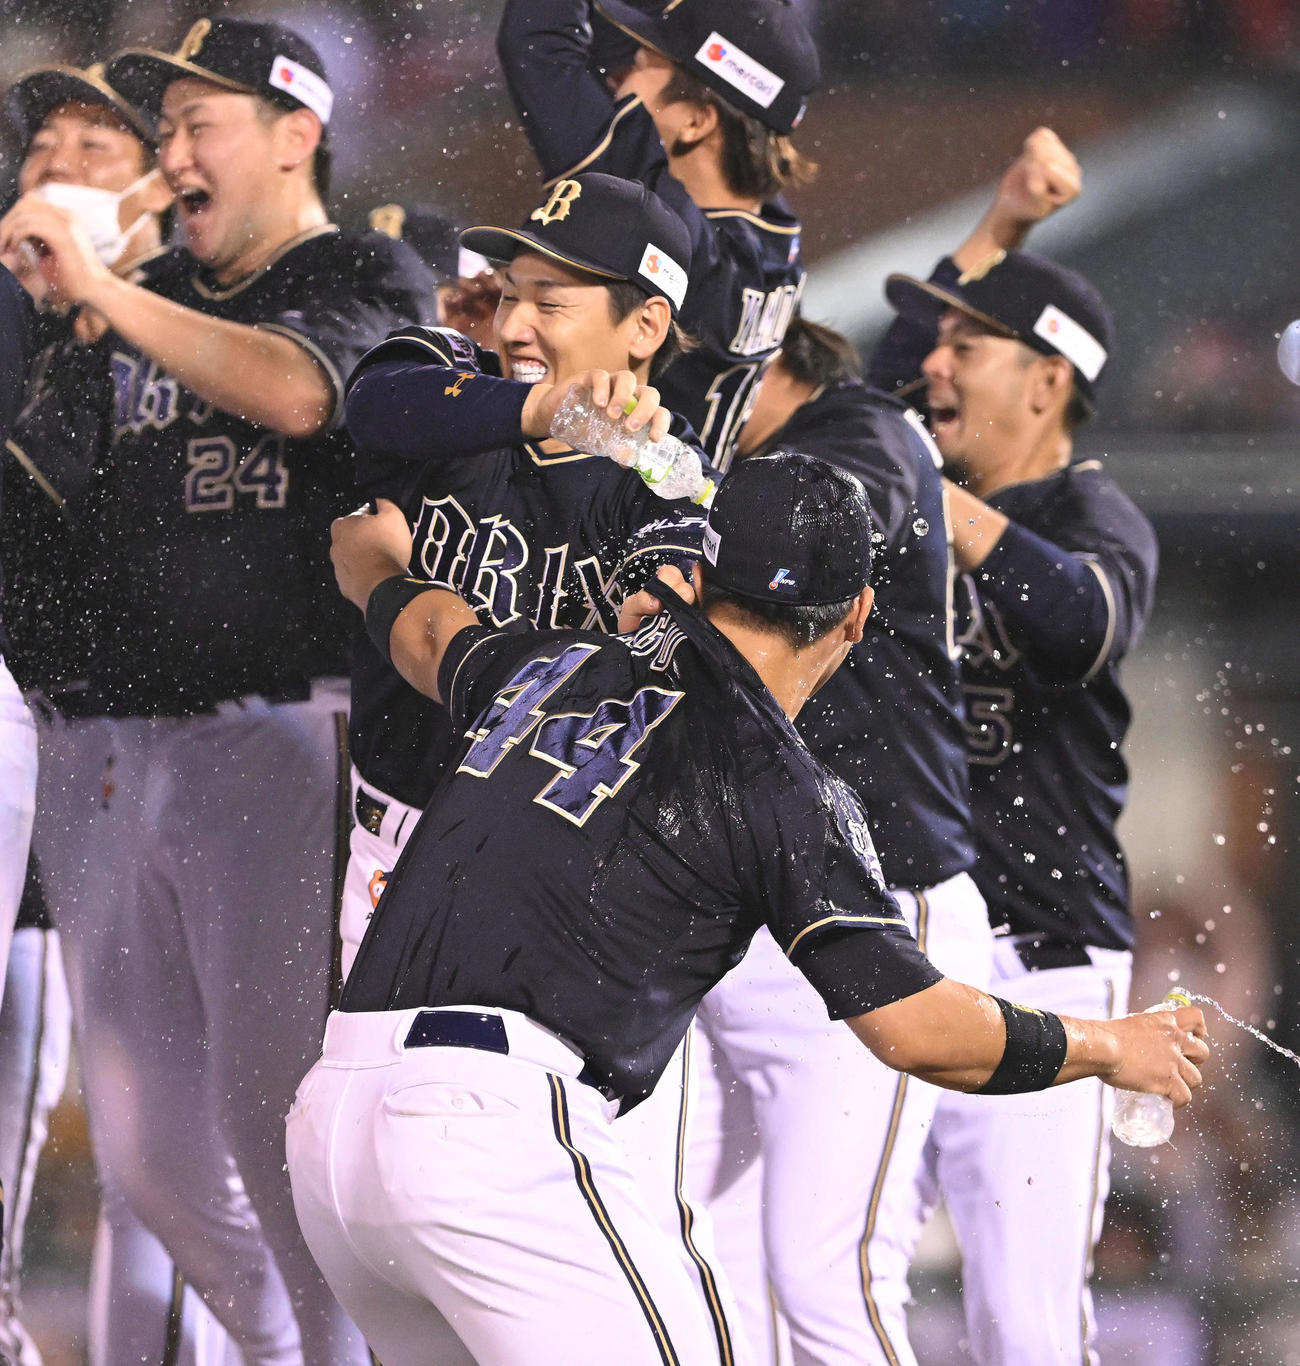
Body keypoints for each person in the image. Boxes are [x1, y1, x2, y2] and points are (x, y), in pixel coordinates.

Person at [285, 452, 1207, 1366]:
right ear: (856, 615)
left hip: (335, 1124)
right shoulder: (782, 786)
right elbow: (919, 1031)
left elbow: (431, 636)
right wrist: (1111, 1047)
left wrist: (374, 567)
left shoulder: (557, 664)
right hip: (491, 1131)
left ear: (704, 577)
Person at [0, 17, 433, 1365]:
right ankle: (292, 1348)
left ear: (296, 134)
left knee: (278, 1128)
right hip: (110, 750)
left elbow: (301, 395)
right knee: (151, 1164)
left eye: (200, 126)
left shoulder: (358, 267)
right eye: (167, 129)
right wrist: (51, 304)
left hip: (283, 741)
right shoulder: (124, 309)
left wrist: (115, 296)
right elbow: (31, 508)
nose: (171, 154)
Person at [683, 317, 992, 1365]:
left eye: (706, 358)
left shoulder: (861, 430)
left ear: (768, 353)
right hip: (755, 907)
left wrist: (628, 455)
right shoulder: (743, 466)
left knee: (828, 1274)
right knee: (710, 1256)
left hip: (878, 898)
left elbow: (818, 519)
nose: (684, 387)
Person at [875, 249, 1159, 1365]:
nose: (933, 367)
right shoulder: (902, 497)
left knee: (1019, 1321)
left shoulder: (1095, 509)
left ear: (1048, 379)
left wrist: (941, 508)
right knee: (830, 1269)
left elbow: (1081, 626)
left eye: (966, 346)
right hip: (889, 952)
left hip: (1035, 954)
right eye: (935, 343)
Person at [337, 170, 710, 984]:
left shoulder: (670, 475)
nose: (514, 325)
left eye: (550, 302)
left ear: (645, 324)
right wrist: (541, 410)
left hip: (558, 863)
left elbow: (662, 636)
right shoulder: (446, 371)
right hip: (388, 840)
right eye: (508, 294)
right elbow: (371, 405)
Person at [497, 0, 819, 465]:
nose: (615, 75)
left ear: (697, 121)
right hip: (679, 513)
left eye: (642, 62)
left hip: (619, 518)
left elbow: (538, 48)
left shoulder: (677, 239)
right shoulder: (776, 238)